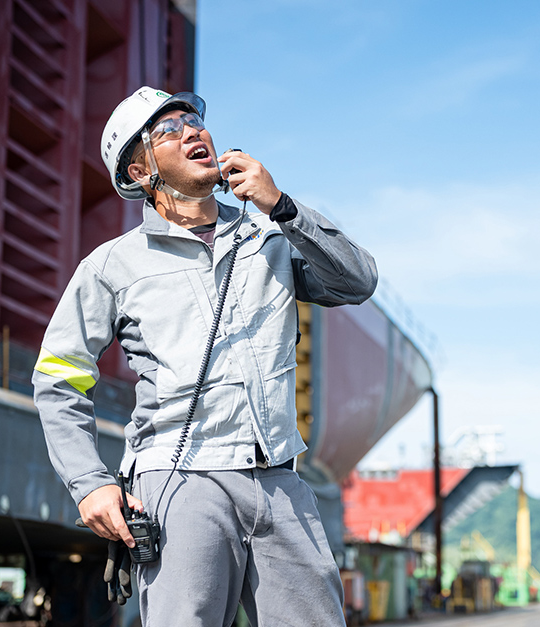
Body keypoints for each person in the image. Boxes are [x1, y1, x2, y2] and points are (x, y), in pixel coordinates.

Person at [32, 86, 377, 626]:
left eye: (192, 119)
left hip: (278, 480)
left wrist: (282, 207)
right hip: (180, 484)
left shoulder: (270, 239)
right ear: (141, 170)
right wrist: (90, 483)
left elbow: (357, 282)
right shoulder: (112, 266)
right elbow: (58, 378)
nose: (192, 130)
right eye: (168, 129)